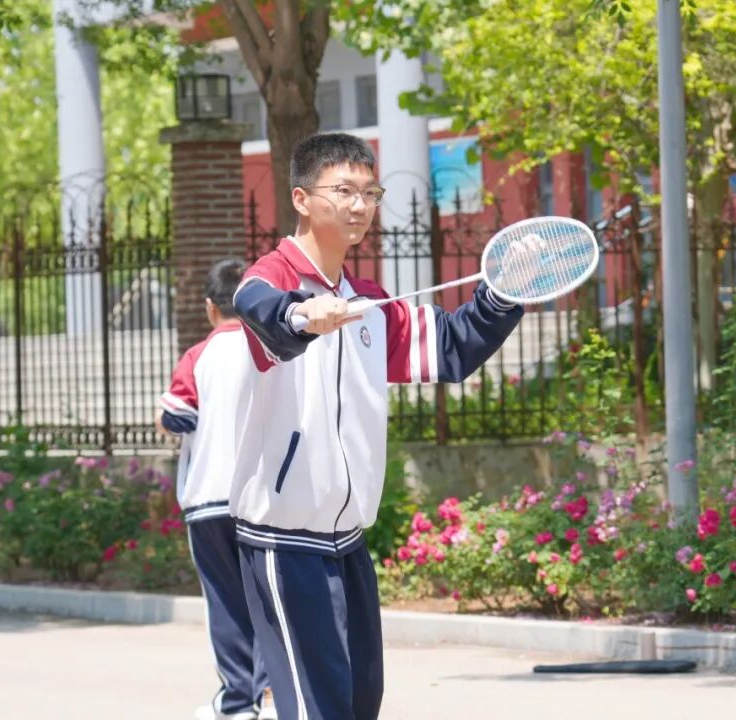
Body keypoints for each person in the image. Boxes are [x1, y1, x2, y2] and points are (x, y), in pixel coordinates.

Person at [230, 132, 526, 720]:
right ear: (301, 198)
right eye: (343, 191)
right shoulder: (271, 277)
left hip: (348, 539)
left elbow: (452, 347)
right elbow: (258, 307)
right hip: (285, 541)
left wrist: (506, 289)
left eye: (370, 193)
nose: (360, 205)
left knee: (360, 703)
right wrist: (301, 313)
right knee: (318, 710)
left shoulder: (367, 302)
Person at [157, 258, 276, 720]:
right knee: (270, 601)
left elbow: (177, 417)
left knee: (226, 604)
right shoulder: (269, 349)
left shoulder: (198, 356)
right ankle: (273, 697)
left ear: (210, 307)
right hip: (263, 499)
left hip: (208, 499)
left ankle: (237, 702)